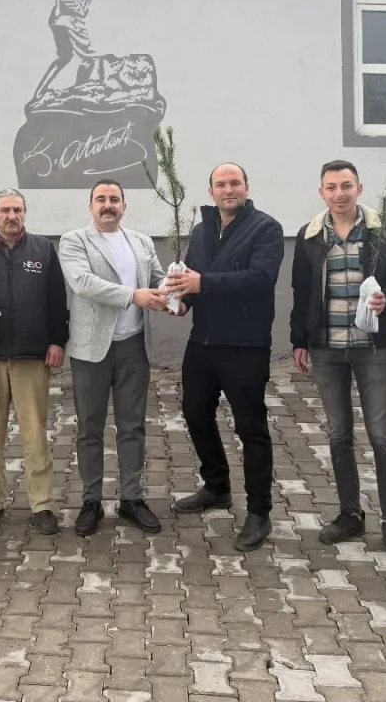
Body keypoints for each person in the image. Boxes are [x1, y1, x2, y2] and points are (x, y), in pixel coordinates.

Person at [290, 160, 386, 559]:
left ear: (359, 188)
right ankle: (350, 514)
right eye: (331, 187)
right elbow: (301, 290)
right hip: (326, 348)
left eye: (346, 186)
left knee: (381, 435)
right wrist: (300, 340)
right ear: (321, 192)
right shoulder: (310, 236)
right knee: (339, 433)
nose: (339, 193)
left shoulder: (385, 231)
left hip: (371, 348)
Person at [168, 163, 285, 552]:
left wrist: (203, 283)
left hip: (245, 344)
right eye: (221, 184)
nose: (228, 189)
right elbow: (191, 277)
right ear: (211, 191)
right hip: (202, 341)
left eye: (235, 183)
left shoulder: (266, 228)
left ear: (246, 187)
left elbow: (260, 279)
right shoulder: (202, 230)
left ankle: (259, 512)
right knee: (195, 413)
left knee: (251, 428)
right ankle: (216, 486)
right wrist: (182, 301)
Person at [58, 179, 168, 537]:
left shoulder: (141, 242)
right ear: (91, 205)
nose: (108, 205)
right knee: (90, 428)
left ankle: (131, 498)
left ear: (124, 205)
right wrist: (134, 295)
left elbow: (158, 280)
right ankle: (91, 501)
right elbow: (82, 283)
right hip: (91, 349)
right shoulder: (74, 241)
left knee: (132, 425)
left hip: (134, 346)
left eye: (114, 199)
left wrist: (174, 291)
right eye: (101, 199)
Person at [0, 188, 68, 535]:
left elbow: (57, 298)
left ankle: (42, 504)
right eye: (5, 210)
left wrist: (57, 340)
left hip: (31, 354)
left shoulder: (42, 249)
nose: (12, 216)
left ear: (25, 213)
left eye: (18, 209)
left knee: (34, 431)